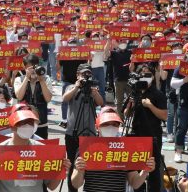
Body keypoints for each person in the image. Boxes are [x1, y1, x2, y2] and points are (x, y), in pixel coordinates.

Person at [0, 108, 71, 192]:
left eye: (31, 123)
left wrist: (61, 170)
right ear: (12, 127)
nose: (27, 126)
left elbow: (52, 186)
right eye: (23, 123)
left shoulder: (42, 150)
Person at [71, 111, 156, 192]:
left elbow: (134, 183)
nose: (110, 127)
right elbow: (76, 184)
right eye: (106, 124)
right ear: (97, 127)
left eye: (115, 124)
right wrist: (79, 171)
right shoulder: (87, 147)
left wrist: (145, 171)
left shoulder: (126, 148)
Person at [124, 64, 167, 192]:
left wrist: (150, 106)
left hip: (153, 135)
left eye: (148, 74)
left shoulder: (158, 94)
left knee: (153, 168)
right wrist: (131, 103)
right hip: (136, 134)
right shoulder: (134, 91)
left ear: (153, 77)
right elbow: (126, 114)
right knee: (136, 167)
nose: (145, 77)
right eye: (142, 74)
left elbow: (165, 116)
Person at [62, 63, 104, 192]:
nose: (86, 76)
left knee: (89, 166)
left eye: (88, 74)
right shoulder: (70, 87)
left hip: (90, 134)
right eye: (83, 74)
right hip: (73, 133)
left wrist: (95, 93)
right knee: (73, 166)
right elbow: (65, 99)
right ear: (77, 75)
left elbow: (101, 103)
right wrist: (77, 87)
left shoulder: (93, 88)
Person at [14, 54, 54, 139]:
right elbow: (19, 96)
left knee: (41, 150)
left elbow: (48, 98)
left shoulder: (46, 79)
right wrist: (26, 78)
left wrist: (41, 80)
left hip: (41, 122)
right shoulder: (19, 79)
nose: (33, 71)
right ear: (24, 67)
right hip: (23, 122)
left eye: (34, 68)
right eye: (30, 68)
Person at [105, 38, 132, 120]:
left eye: (125, 41)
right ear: (118, 43)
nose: (123, 42)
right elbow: (106, 53)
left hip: (130, 80)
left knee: (132, 100)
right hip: (118, 80)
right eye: (121, 41)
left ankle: (129, 117)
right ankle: (121, 119)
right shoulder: (114, 53)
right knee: (119, 102)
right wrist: (108, 41)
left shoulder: (130, 52)